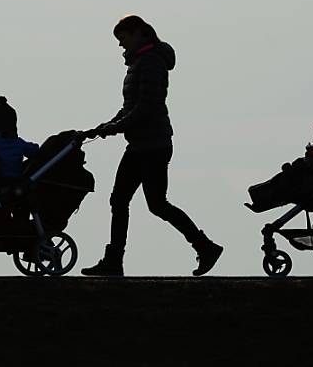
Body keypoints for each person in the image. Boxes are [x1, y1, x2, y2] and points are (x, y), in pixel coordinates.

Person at [80, 15, 223, 277]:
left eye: (123, 39)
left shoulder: (151, 62)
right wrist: (108, 125)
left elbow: (147, 106)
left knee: (156, 204)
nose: (121, 46)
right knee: (121, 200)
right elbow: (130, 107)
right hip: (140, 144)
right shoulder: (139, 64)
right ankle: (114, 261)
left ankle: (205, 247)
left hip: (153, 145)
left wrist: (116, 127)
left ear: (140, 34)